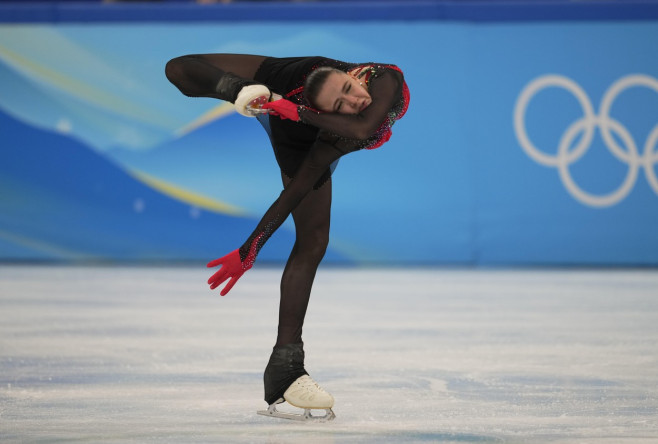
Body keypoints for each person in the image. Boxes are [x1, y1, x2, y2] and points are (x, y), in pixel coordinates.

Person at [165, 54, 409, 421]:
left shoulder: (382, 79)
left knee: (314, 240)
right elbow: (294, 192)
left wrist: (296, 111)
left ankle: (283, 367)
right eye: (340, 105)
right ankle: (239, 90)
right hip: (292, 117)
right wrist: (249, 251)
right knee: (181, 69)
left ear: (351, 75)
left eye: (348, 89)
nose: (354, 101)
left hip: (302, 113)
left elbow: (360, 129)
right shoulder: (328, 124)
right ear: (329, 112)